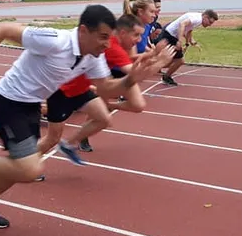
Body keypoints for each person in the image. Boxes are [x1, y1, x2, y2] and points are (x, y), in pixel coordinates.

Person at [0, 5, 174, 229]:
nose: (106, 44)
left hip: (29, 106)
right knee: (29, 169)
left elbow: (106, 89)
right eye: (102, 37)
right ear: (83, 31)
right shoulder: (54, 41)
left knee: (18, 165)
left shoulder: (93, 56)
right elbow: (3, 30)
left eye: (108, 37)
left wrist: (135, 78)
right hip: (7, 101)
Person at [37, 14, 159, 164]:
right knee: (52, 138)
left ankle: (68, 144)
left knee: (104, 119)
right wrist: (160, 62)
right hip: (63, 92)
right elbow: (133, 75)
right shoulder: (113, 47)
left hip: (82, 89)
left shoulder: (114, 45)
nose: (139, 40)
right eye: (136, 35)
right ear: (122, 33)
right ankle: (23, 164)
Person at [155, 9, 219, 85]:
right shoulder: (197, 19)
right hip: (170, 35)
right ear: (205, 17)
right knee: (179, 61)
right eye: (210, 22)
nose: (210, 25)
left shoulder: (198, 18)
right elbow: (182, 24)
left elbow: (189, 30)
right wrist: (179, 41)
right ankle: (164, 75)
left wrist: (189, 42)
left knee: (175, 59)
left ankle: (162, 72)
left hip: (170, 34)